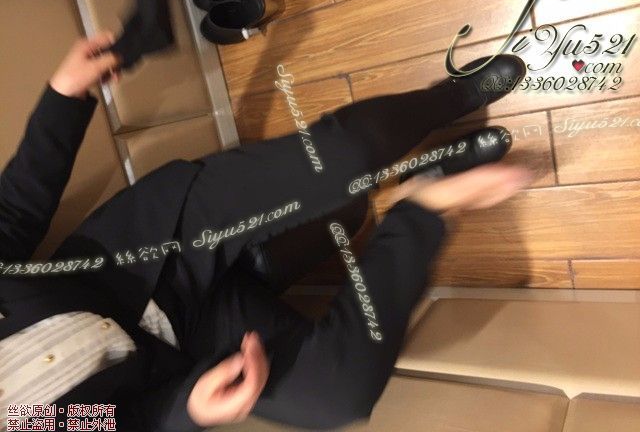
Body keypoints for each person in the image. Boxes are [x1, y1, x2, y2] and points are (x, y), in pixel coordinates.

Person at [0, 32, 531, 431]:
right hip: (180, 347)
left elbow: (13, 214)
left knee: (341, 159)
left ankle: (446, 100)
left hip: (147, 247)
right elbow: (117, 421)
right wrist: (186, 411)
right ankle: (424, 198)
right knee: (337, 396)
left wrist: (62, 99)